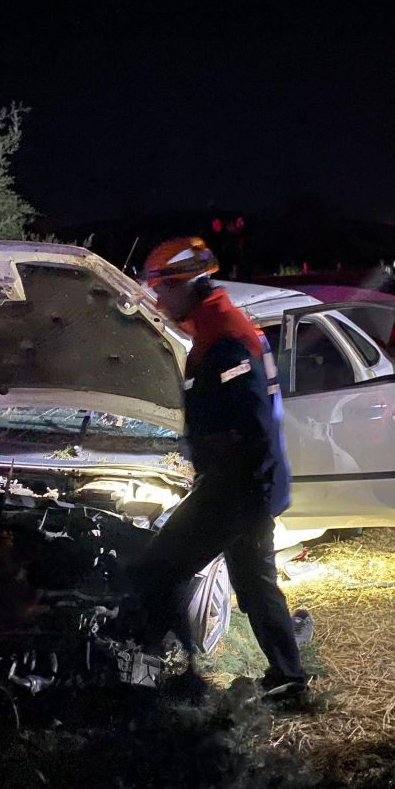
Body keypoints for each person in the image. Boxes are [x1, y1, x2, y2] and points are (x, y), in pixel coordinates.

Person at [127, 237, 309, 704]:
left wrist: (204, 465)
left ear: (184, 284)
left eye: (161, 291)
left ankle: (148, 680)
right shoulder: (221, 325)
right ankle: (290, 680)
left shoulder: (223, 338)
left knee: (157, 571)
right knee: (254, 583)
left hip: (237, 489)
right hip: (249, 485)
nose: (159, 301)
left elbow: (243, 423)